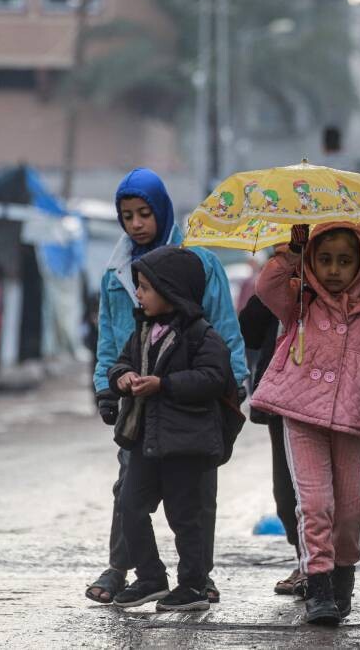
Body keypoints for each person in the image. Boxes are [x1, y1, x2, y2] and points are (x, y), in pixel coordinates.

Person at [85, 168, 249, 606]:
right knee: (129, 487)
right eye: (127, 216)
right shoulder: (115, 272)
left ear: (162, 209)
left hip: (193, 400)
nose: (136, 224)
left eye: (144, 213)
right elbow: (110, 337)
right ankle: (125, 568)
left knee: (195, 494)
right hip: (138, 401)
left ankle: (197, 577)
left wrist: (233, 382)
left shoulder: (198, 262)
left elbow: (224, 327)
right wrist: (108, 385)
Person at [251, 222, 360, 626]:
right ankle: (318, 588)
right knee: (315, 506)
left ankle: (343, 576)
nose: (334, 269)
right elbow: (266, 286)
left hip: (351, 423)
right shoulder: (299, 303)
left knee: (351, 512)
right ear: (313, 262)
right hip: (301, 418)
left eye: (344, 261)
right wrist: (293, 253)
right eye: (325, 259)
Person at [109, 247, 239, 612]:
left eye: (145, 287)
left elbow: (213, 378)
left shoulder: (202, 336)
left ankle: (193, 585)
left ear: (172, 290)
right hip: (145, 439)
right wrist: (123, 378)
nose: (138, 294)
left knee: (185, 516)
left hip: (186, 442)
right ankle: (150, 576)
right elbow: (120, 363)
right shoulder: (142, 331)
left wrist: (164, 385)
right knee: (130, 505)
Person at [238, 286, 302, 596]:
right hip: (279, 400)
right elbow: (249, 332)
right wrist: (272, 285)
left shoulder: (342, 288)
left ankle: (327, 571)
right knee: (286, 493)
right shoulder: (278, 288)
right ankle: (307, 561)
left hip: (328, 402)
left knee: (323, 495)